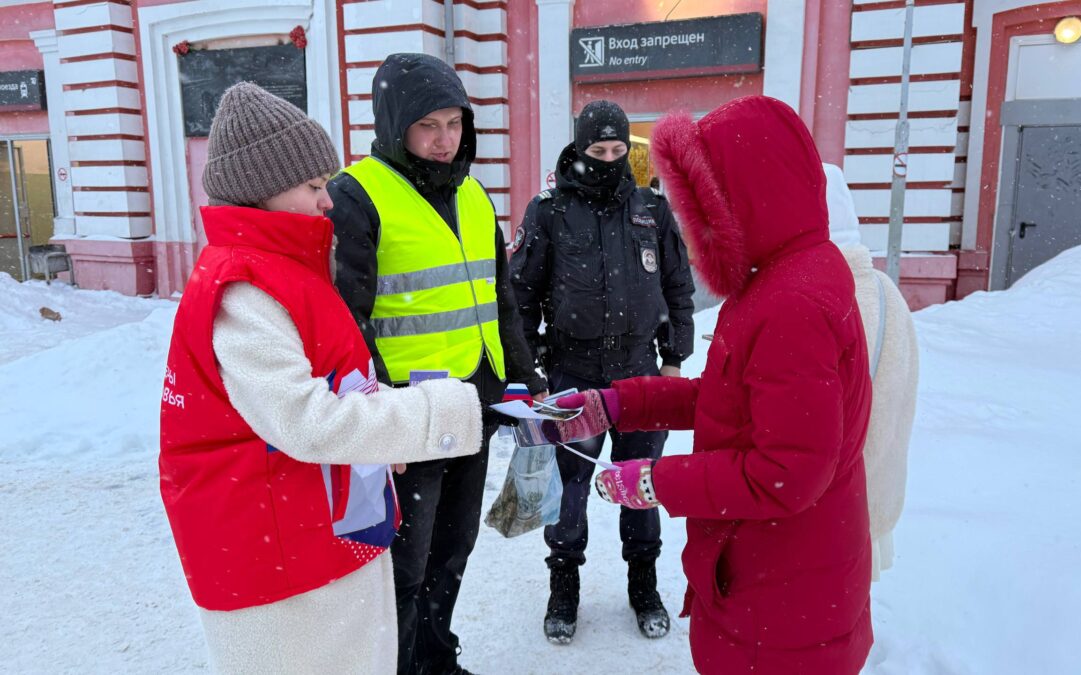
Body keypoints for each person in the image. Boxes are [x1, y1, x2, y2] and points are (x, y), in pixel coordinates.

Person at [158, 83, 483, 674]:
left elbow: (337, 375)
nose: (328, 200)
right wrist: (435, 413)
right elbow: (306, 420)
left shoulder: (287, 268)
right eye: (313, 187)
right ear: (263, 190)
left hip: (316, 523)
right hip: (276, 552)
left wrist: (381, 437)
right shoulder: (243, 291)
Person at [550, 96, 875, 673]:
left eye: (704, 204)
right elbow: (729, 401)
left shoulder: (790, 304)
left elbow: (786, 471)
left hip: (781, 601)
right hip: (778, 578)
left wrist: (654, 481)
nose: (693, 223)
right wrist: (619, 403)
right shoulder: (782, 276)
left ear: (747, 195)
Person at [326, 53, 547, 675]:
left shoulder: (473, 193)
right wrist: (373, 415)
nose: (444, 140)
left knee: (453, 547)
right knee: (402, 563)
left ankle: (435, 657)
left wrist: (524, 375)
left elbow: (500, 299)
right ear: (395, 124)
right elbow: (347, 320)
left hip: (471, 403)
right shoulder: (356, 195)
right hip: (406, 414)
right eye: (428, 125)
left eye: (454, 123)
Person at [510, 99, 695, 644]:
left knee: (642, 481)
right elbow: (521, 296)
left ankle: (644, 584)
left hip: (641, 370)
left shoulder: (650, 209)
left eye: (618, 150)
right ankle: (563, 587)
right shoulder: (548, 211)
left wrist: (674, 358)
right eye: (598, 150)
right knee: (569, 490)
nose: (609, 159)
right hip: (573, 370)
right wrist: (531, 372)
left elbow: (677, 288)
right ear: (579, 148)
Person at [823, 163, 919, 580]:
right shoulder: (884, 289)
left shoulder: (830, 298)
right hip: (877, 493)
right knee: (851, 599)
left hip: (834, 503)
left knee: (826, 601)